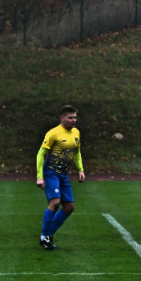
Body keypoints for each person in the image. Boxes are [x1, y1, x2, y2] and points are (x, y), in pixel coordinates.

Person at [36, 105, 86, 250]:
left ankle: (48, 234)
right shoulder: (53, 133)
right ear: (62, 118)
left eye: (75, 117)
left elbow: (76, 153)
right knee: (55, 202)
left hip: (63, 174)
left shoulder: (76, 132)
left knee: (69, 207)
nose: (73, 120)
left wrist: (80, 170)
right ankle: (45, 237)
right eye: (70, 117)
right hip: (51, 172)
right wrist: (40, 177)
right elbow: (41, 154)